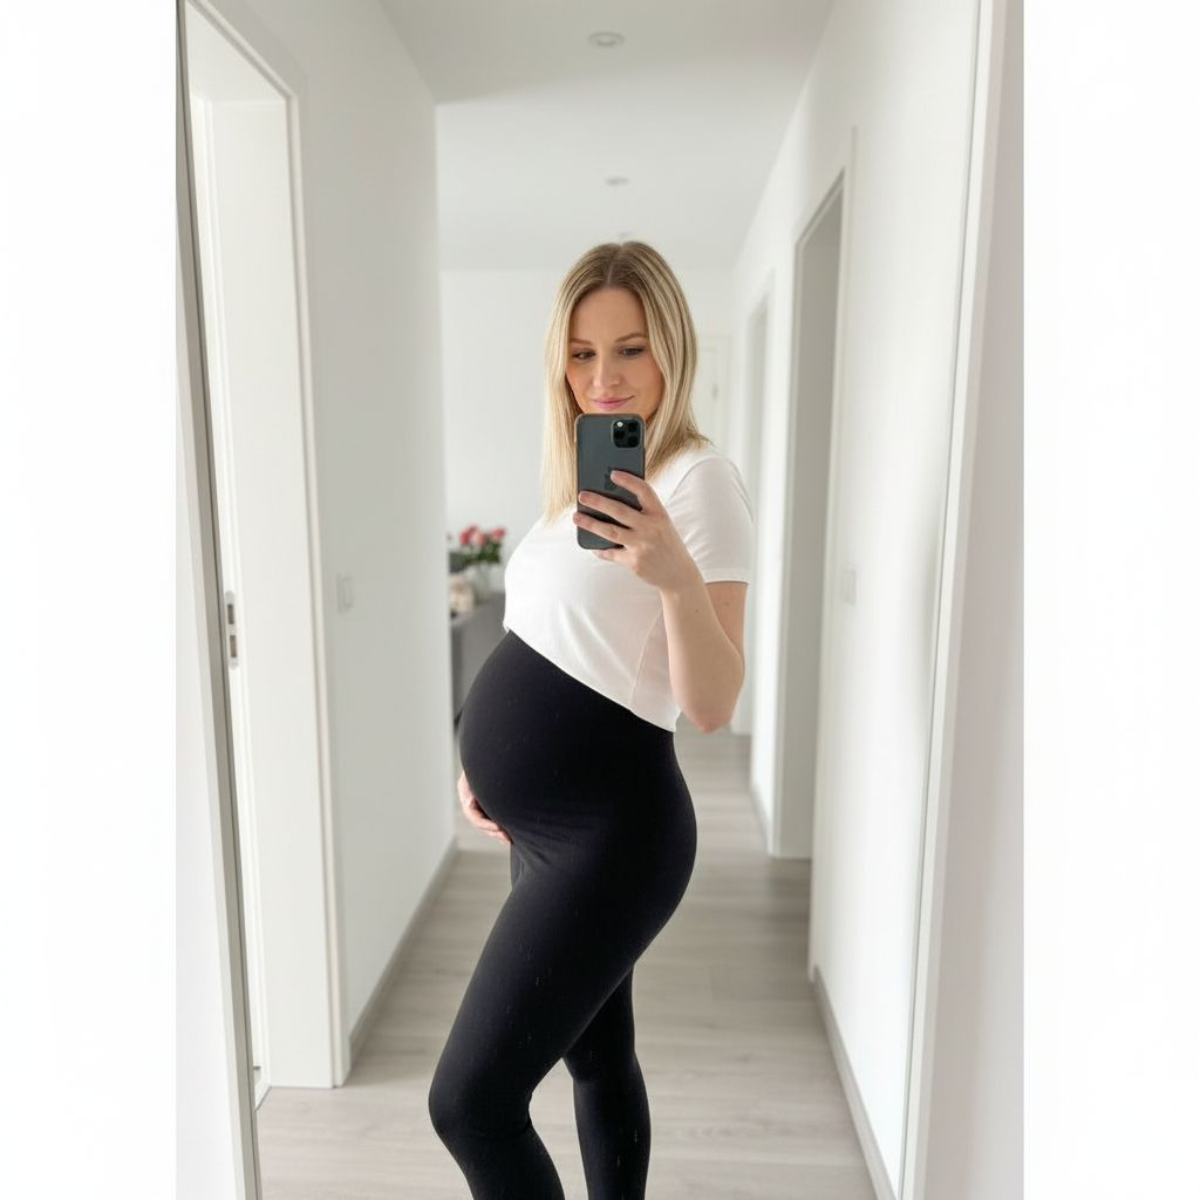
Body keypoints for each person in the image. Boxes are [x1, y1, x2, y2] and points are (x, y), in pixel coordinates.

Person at [427, 241, 755, 1198]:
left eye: (629, 348)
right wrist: (479, 761)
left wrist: (675, 577)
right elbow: (542, 633)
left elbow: (712, 704)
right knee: (598, 1060)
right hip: (541, 829)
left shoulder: (698, 482)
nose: (604, 377)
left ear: (673, 350)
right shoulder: (581, 480)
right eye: (581, 354)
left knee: (470, 1104)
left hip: (612, 835)